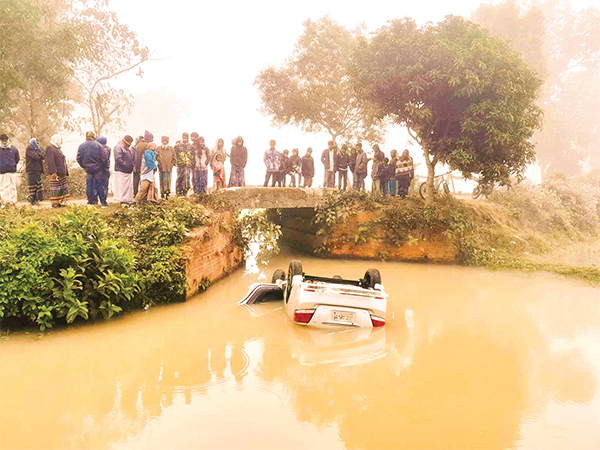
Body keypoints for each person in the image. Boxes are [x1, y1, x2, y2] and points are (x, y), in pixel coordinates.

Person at [77, 131, 109, 206]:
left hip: (88, 169)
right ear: (93, 136)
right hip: (98, 169)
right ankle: (103, 202)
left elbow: (78, 158)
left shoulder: (81, 146)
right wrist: (103, 167)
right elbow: (104, 158)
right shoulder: (98, 145)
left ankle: (90, 201)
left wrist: (84, 166)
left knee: (89, 185)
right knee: (100, 185)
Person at [46, 134, 69, 207]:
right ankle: (55, 203)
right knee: (55, 188)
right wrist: (53, 172)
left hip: (61, 172)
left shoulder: (58, 149)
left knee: (62, 187)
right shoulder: (50, 148)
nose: (61, 142)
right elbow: (50, 161)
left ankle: (60, 202)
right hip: (56, 172)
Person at [113, 135, 136, 204]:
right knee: (122, 186)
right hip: (121, 170)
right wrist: (126, 165)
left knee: (127, 187)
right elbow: (118, 159)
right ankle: (122, 200)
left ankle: (127, 199)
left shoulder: (127, 148)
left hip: (127, 171)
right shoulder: (118, 147)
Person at [0, 134, 20, 205]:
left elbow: (17, 159)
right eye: (2, 141)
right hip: (2, 172)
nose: (4, 142)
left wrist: (12, 164)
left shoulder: (13, 149)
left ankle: (13, 202)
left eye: (5, 140)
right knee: (3, 188)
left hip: (12, 171)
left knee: (12, 187)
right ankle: (4, 203)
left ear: (8, 140)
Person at [25, 138, 45, 205]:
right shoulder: (29, 148)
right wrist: (40, 154)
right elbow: (35, 156)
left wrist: (40, 154)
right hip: (32, 169)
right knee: (32, 185)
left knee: (38, 185)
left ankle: (37, 199)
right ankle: (33, 200)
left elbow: (44, 156)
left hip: (38, 169)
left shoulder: (37, 148)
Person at [133, 131, 153, 197]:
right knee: (144, 182)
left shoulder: (138, 144)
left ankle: (135, 194)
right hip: (144, 167)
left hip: (137, 165)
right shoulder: (146, 145)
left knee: (136, 180)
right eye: (151, 139)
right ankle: (142, 196)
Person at [174, 132, 193, 196]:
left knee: (187, 178)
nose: (185, 139)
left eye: (186, 138)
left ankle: (186, 191)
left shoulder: (191, 146)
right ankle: (178, 191)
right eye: (184, 138)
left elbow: (193, 155)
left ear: (188, 138)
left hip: (188, 165)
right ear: (182, 138)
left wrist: (191, 162)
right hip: (180, 165)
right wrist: (176, 162)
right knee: (180, 177)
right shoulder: (178, 146)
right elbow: (174, 154)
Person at [96, 136, 111, 207]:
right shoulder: (108, 149)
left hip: (100, 169)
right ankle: (104, 198)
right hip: (106, 169)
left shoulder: (98, 149)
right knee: (105, 185)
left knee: (99, 184)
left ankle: (99, 199)